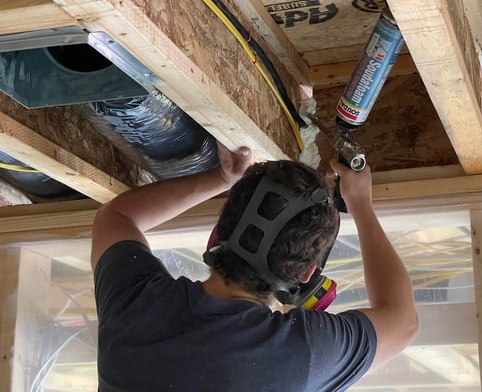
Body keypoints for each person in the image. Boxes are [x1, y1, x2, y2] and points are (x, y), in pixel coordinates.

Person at [91, 142, 418, 392]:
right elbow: (401, 321)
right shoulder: (302, 353)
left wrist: (362, 203)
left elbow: (116, 217)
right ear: (305, 275)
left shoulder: (135, 303)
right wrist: (360, 203)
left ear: (217, 233)